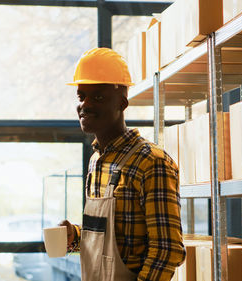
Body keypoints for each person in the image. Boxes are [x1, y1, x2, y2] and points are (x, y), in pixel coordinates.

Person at [60, 48, 185, 281]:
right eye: (81, 96)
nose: (85, 104)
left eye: (97, 97)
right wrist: (75, 236)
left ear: (122, 103)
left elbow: (168, 250)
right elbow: (111, 240)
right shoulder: (96, 162)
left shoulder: (151, 162)